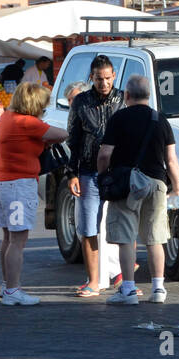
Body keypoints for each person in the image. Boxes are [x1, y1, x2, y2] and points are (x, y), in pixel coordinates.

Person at [98, 75, 179, 304]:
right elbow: (171, 160)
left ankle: (128, 290)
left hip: (127, 184)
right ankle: (158, 289)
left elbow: (105, 153)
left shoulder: (119, 118)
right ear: (149, 95)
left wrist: (103, 175)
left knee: (126, 238)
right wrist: (177, 188)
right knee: (155, 238)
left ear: (126, 95)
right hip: (156, 183)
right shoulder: (160, 119)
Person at [0, 82, 68, 306]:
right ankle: (13, 290)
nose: (43, 110)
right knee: (18, 240)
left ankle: (8, 285)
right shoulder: (27, 123)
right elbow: (62, 134)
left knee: (7, 237)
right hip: (17, 186)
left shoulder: (7, 117)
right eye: (42, 106)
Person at [66, 54, 126, 296]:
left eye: (108, 78)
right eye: (99, 79)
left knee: (123, 225)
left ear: (114, 76)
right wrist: (72, 174)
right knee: (89, 226)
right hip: (89, 171)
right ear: (91, 77)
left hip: (119, 170)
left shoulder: (123, 99)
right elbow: (73, 140)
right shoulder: (81, 101)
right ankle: (93, 281)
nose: (104, 83)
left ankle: (124, 279)